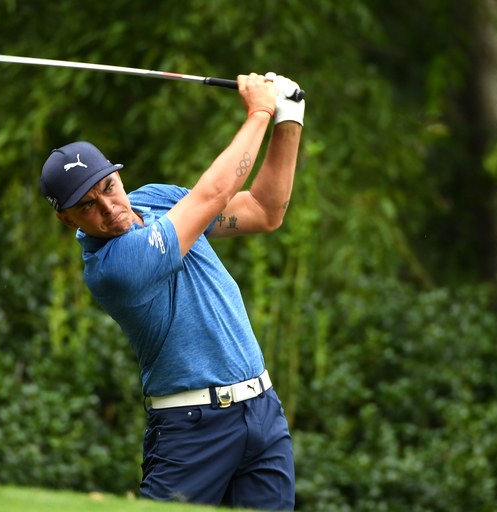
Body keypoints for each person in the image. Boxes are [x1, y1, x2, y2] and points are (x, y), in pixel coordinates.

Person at [39, 72, 304, 510]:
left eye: (108, 187)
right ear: (67, 220)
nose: (108, 207)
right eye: (87, 205)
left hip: (262, 411)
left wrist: (287, 119)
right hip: (192, 428)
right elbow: (211, 195)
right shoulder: (112, 268)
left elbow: (263, 211)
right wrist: (259, 111)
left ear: (118, 176)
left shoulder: (156, 200)